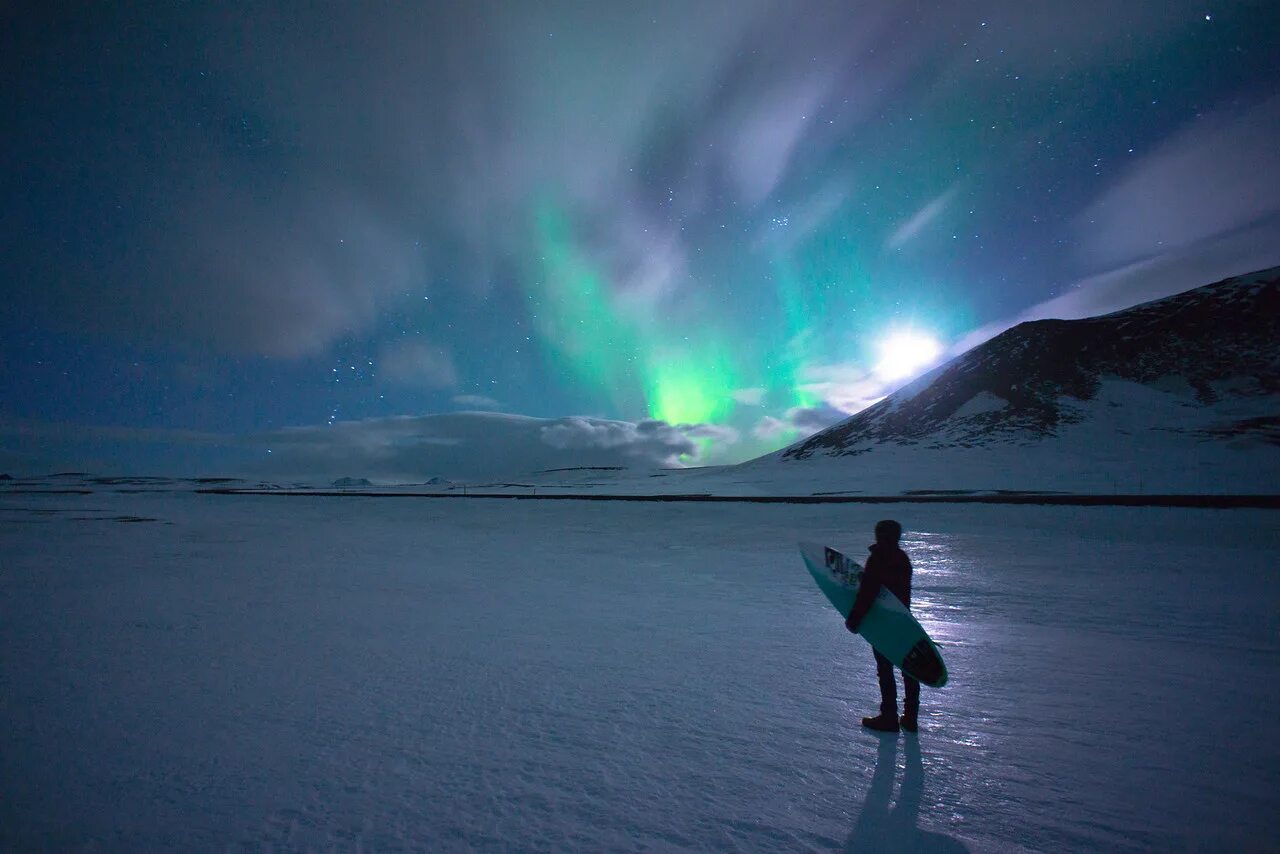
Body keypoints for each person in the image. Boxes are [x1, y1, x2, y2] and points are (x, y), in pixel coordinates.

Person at [845, 519, 919, 733]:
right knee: (908, 669)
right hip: (904, 621)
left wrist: (855, 619)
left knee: (885, 669)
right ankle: (911, 717)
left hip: (883, 624)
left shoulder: (878, 559)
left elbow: (868, 592)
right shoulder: (902, 558)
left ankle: (889, 716)